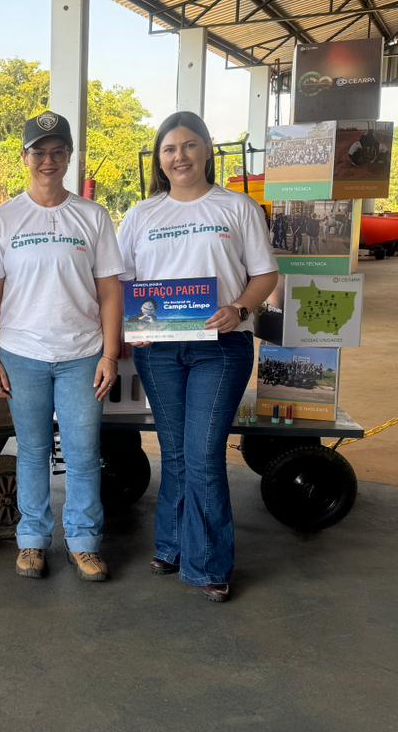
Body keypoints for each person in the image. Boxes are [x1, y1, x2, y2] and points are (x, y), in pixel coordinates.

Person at [117, 111, 278, 602]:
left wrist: (240, 308)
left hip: (222, 349)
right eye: (169, 149)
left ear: (207, 150)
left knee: (204, 453)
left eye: (188, 146)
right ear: (159, 159)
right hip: (160, 352)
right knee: (175, 452)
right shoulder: (143, 215)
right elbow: (123, 281)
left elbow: (265, 275)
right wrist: (132, 329)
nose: (179, 156)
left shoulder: (237, 208)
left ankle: (208, 564)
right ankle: (169, 545)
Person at [0, 112, 124, 581]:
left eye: (58, 151)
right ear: (24, 157)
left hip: (83, 354)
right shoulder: (2, 220)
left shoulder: (92, 216)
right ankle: (33, 540)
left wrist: (109, 353)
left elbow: (109, 290)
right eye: (39, 151)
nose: (48, 160)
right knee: (33, 451)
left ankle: (82, 540)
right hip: (23, 354)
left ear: (68, 157)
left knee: (82, 452)